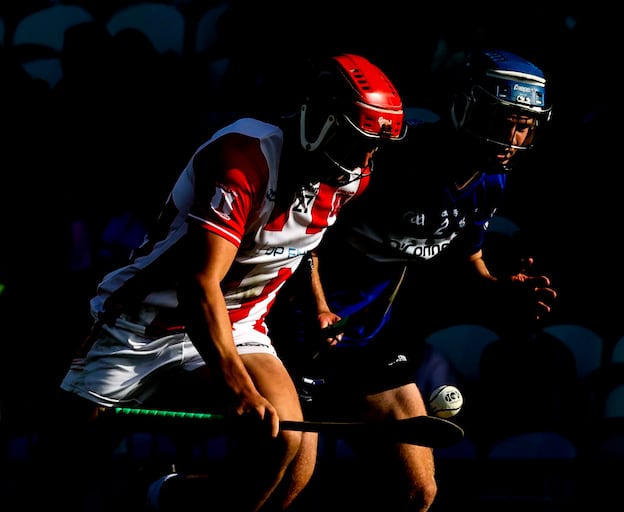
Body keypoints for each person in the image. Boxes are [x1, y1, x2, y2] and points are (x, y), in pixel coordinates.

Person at [26, 53, 406, 512]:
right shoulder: (244, 155)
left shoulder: (349, 175)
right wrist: (238, 388)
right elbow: (199, 283)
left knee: (286, 444)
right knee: (64, 468)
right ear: (320, 121)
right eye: (356, 142)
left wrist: (320, 303)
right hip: (143, 322)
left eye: (373, 147)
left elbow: (304, 241)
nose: (365, 159)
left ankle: (174, 498)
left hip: (241, 324)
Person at [268, 48, 558, 512]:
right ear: (465, 107)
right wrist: (318, 305)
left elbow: (470, 258)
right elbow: (306, 234)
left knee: (417, 493)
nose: (512, 137)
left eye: (523, 124)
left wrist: (499, 289)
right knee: (285, 487)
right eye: (502, 119)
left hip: (370, 340)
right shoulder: (390, 157)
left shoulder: (490, 182)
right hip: (294, 331)